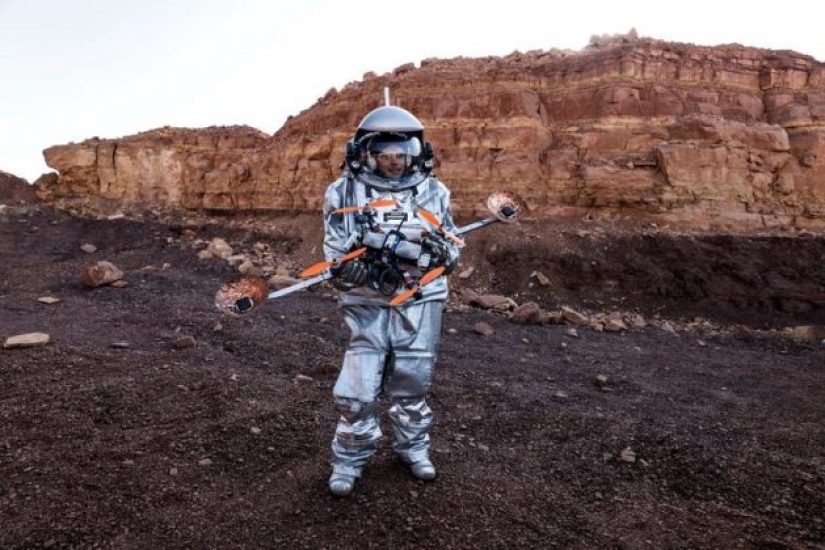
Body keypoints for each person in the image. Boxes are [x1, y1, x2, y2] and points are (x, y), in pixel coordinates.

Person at [322, 103, 461, 497]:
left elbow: (452, 241)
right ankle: (349, 458)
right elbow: (335, 248)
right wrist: (346, 270)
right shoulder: (344, 192)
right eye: (385, 155)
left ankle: (414, 448)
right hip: (367, 299)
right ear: (367, 153)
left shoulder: (434, 191)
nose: (396, 163)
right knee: (358, 387)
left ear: (417, 152)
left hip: (420, 297)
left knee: (413, 381)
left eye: (403, 154)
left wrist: (444, 256)